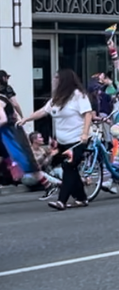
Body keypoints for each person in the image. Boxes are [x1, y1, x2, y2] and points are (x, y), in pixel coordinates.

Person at [18, 69, 93, 210]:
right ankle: (82, 198)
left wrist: (85, 133)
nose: (54, 80)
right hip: (63, 141)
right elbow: (43, 111)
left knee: (67, 166)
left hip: (77, 140)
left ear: (64, 80)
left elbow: (88, 114)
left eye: (57, 78)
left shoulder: (78, 96)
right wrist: (26, 119)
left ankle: (61, 201)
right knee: (72, 170)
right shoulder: (56, 99)